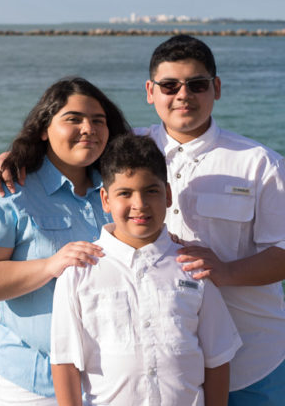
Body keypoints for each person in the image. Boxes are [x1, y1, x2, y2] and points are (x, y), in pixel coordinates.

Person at [0, 35, 285, 406]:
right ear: (150, 91)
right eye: (170, 85)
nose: (183, 95)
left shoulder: (258, 162)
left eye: (197, 84)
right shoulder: (126, 147)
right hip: (167, 366)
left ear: (216, 88)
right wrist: (15, 155)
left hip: (257, 354)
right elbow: (69, 144)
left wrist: (225, 272)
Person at [0, 77, 131, 405]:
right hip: (33, 377)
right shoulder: (5, 191)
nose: (89, 128)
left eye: (98, 121)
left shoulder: (119, 189)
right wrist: (52, 265)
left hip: (110, 376)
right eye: (73, 119)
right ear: (42, 128)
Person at [50, 134, 241, 406]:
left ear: (168, 195)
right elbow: (65, 363)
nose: (139, 204)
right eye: (125, 193)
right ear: (105, 199)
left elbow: (218, 359)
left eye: (151, 191)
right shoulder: (80, 273)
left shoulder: (192, 267)